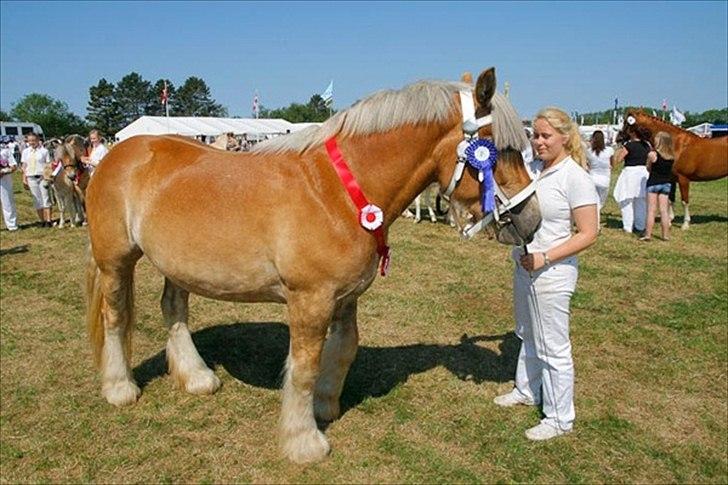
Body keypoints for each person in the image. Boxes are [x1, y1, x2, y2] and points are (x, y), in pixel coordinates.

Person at [493, 107, 598, 441]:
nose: (537, 142)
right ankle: (526, 389)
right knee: (527, 333)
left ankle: (559, 417)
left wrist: (546, 257)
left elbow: (588, 232)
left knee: (553, 345)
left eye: (545, 136)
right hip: (525, 267)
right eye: (535, 135)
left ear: (565, 138)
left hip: (552, 272)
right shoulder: (535, 170)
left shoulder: (575, 177)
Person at [611, 121, 654, 235]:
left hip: (630, 173)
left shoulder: (629, 145)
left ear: (633, 133)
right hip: (643, 172)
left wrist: (619, 149)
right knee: (641, 201)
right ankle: (640, 226)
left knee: (627, 200)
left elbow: (619, 159)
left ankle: (628, 226)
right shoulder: (647, 145)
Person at [640, 131, 675, 241]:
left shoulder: (653, 154)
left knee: (651, 210)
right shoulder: (671, 156)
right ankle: (665, 235)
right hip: (666, 183)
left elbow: (648, 168)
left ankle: (648, 235)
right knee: (664, 211)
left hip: (653, 183)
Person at [20, 132, 52, 227]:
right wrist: (24, 178)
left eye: (33, 140)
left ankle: (49, 220)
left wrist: (46, 176)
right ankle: (42, 220)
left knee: (45, 198)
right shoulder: (26, 152)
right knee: (37, 200)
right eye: (29, 141)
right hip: (31, 177)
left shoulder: (44, 151)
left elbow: (48, 165)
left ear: (38, 140)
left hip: (42, 177)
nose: (31, 142)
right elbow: (24, 166)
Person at [584, 130, 613, 212]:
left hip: (592, 178)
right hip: (605, 179)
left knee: (593, 201)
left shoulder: (589, 152)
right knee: (601, 203)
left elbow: (588, 165)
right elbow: (612, 163)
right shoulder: (609, 150)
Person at [0, 137, 19, 231]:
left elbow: (14, 166)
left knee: (7, 202)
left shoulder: (5, 151)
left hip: (4, 180)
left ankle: (12, 225)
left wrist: (4, 171)